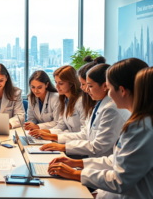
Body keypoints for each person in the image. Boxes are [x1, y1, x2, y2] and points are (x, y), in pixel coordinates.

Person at [47, 58, 151, 199]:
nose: (108, 93)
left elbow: (120, 180)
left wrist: (74, 173)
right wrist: (76, 163)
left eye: (109, 87)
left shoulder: (141, 127)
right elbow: (114, 160)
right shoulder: (137, 122)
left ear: (121, 90)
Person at [39, 64, 131, 158]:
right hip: (94, 160)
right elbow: (85, 134)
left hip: (100, 163)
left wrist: (64, 147)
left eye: (89, 86)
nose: (86, 89)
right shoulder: (99, 105)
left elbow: (98, 146)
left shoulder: (111, 109)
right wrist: (56, 138)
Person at [29, 65, 85, 138]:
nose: (57, 86)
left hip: (78, 143)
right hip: (69, 139)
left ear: (72, 83)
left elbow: (85, 133)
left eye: (61, 83)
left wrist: (52, 136)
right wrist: (45, 132)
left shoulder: (81, 101)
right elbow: (61, 125)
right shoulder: (64, 99)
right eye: (56, 82)